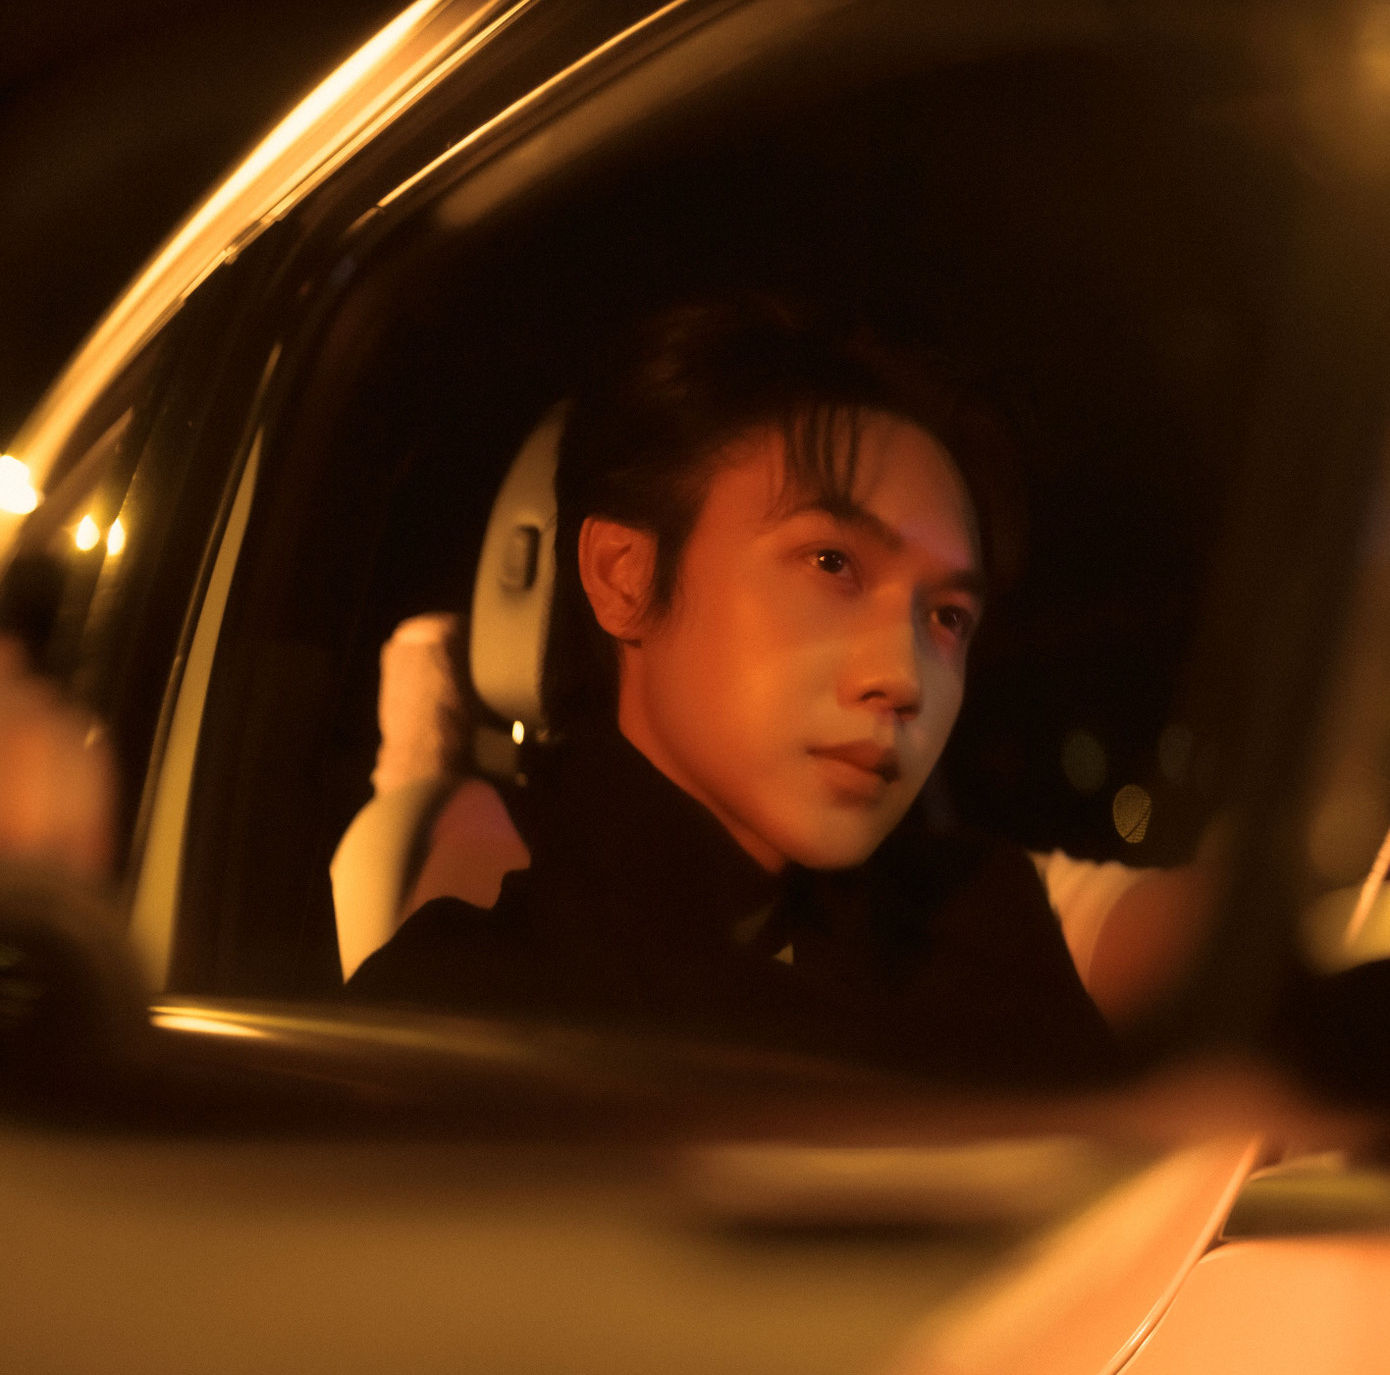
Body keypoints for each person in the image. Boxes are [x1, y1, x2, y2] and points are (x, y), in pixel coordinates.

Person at [346, 298, 1179, 1081]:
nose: (904, 679)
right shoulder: (460, 1020)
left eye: (948, 617)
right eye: (832, 563)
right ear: (622, 574)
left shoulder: (982, 928)